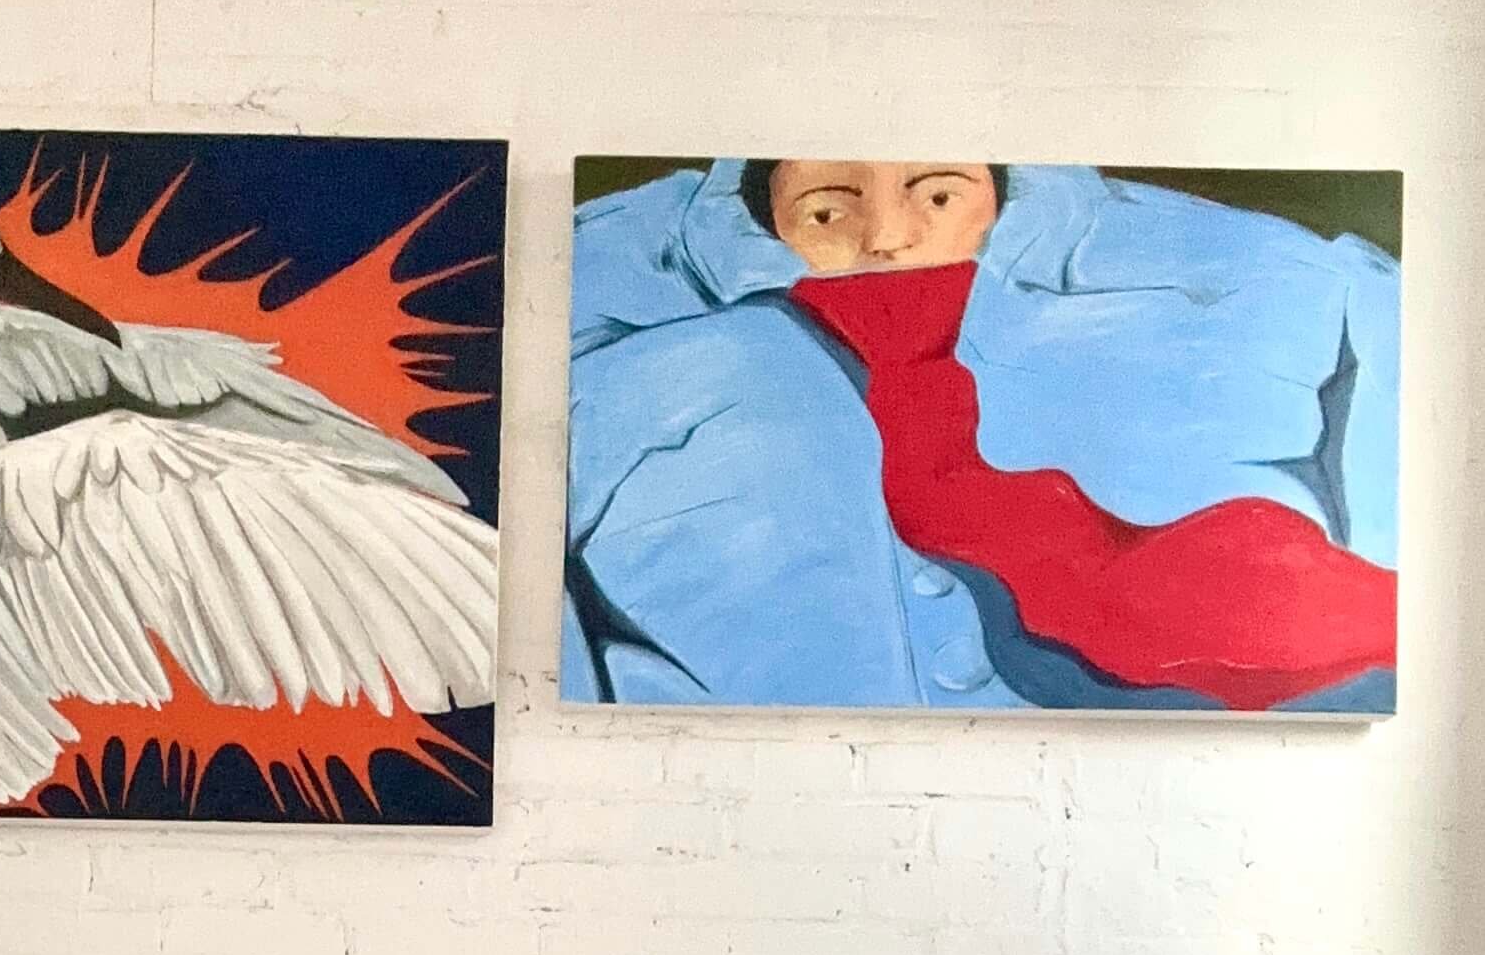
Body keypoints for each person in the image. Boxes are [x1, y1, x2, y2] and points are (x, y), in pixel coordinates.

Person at [565, 156, 1398, 712]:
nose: (887, 239)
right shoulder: (620, 281)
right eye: (825, 211)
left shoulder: (1235, 265)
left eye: (937, 196)